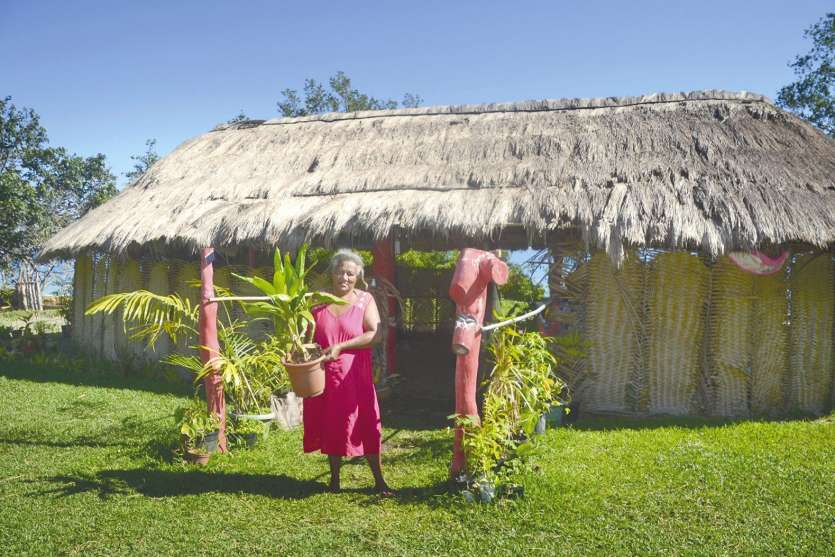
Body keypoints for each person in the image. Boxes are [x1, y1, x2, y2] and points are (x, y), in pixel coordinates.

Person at [302, 249, 393, 496]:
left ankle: (379, 480)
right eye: (340, 272)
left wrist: (342, 346)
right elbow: (307, 340)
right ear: (332, 274)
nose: (345, 277)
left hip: (356, 376)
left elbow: (376, 333)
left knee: (367, 425)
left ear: (358, 276)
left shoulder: (365, 300)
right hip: (327, 377)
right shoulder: (318, 305)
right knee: (332, 425)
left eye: (350, 273)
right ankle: (334, 480)